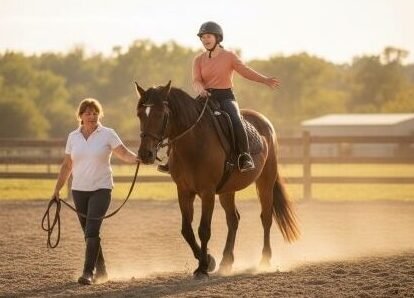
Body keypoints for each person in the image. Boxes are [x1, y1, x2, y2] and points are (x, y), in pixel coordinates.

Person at [157, 21, 280, 173]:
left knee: (235, 119)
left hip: (225, 97)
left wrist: (264, 80)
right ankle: (171, 160)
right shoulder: (198, 59)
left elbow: (245, 71)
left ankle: (244, 156)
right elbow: (196, 80)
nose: (205, 40)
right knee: (181, 119)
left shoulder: (229, 56)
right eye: (203, 37)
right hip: (205, 96)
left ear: (217, 38)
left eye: (208, 36)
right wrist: (200, 89)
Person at [52, 98, 138, 285]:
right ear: (81, 116)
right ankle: (102, 270)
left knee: (92, 230)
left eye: (95, 112)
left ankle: (87, 273)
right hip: (79, 190)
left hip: (101, 188)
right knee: (89, 234)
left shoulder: (108, 134)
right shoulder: (73, 137)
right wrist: (57, 190)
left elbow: (123, 152)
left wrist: (137, 158)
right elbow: (67, 165)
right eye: (88, 113)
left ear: (99, 115)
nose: (92, 116)